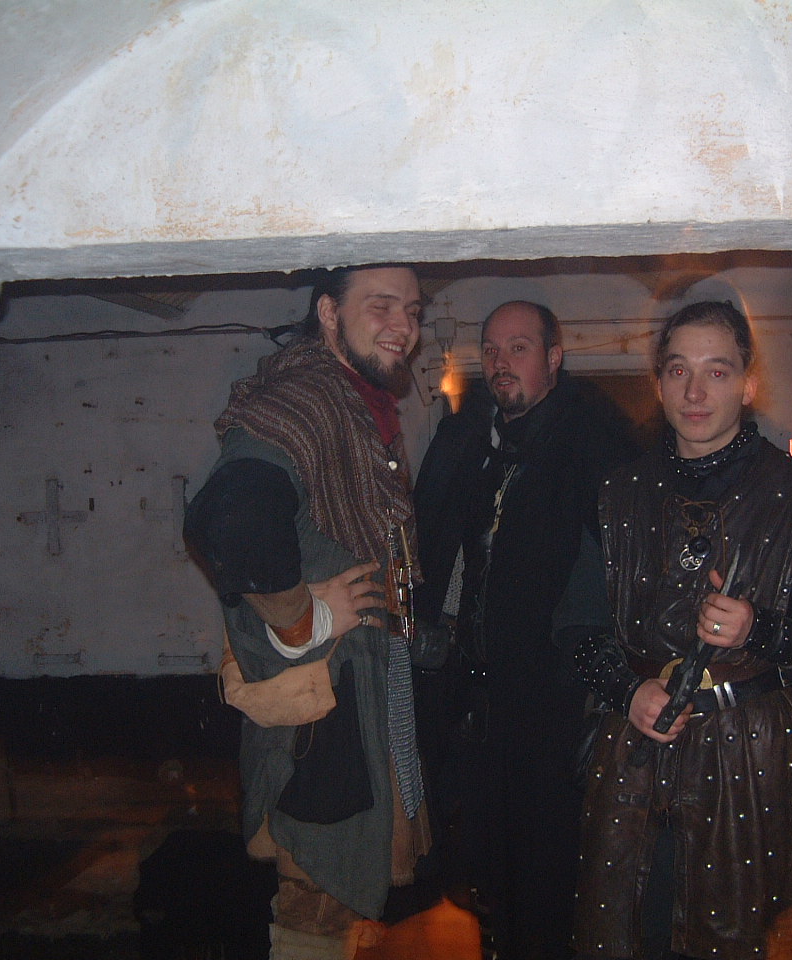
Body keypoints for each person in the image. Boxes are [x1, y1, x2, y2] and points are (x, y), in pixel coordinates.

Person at [569, 300, 792, 960]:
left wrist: (760, 630)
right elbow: (577, 627)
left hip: (751, 758)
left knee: (738, 941)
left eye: (717, 371)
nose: (695, 392)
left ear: (748, 384)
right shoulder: (616, 493)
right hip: (633, 752)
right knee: (632, 933)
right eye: (678, 370)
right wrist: (627, 690)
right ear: (658, 384)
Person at [183, 264, 431, 960]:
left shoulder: (355, 407)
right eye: (381, 306)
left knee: (344, 918)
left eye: (413, 311)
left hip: (362, 704)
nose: (404, 327)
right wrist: (307, 619)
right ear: (328, 313)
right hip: (323, 725)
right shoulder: (304, 401)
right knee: (313, 911)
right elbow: (230, 522)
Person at [413, 300, 637, 960]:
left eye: (519, 348)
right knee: (482, 871)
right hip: (474, 702)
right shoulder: (465, 442)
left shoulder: (593, 444)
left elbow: (620, 576)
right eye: (491, 349)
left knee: (551, 876)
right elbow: (437, 552)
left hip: (554, 705)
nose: (501, 362)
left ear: (554, 358)